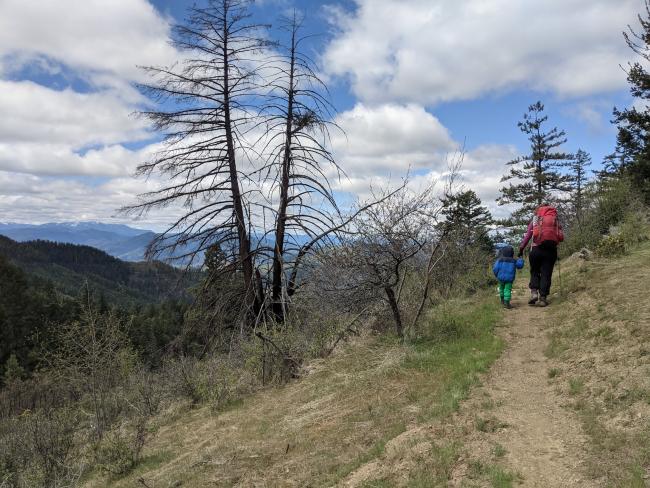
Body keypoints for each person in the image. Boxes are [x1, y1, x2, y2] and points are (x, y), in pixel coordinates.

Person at [518, 205, 564, 307]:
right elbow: (561, 237)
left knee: (534, 271)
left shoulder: (535, 220)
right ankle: (543, 298)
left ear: (539, 211)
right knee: (546, 274)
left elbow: (527, 237)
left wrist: (521, 249)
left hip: (535, 250)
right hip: (550, 251)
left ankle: (534, 292)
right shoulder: (555, 221)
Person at [492, 245, 525, 309]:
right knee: (507, 289)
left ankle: (502, 300)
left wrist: (496, 275)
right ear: (512, 253)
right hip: (509, 279)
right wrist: (520, 259)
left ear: (503, 253)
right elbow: (520, 266)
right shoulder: (513, 261)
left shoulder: (499, 260)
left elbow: (495, 268)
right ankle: (507, 302)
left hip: (500, 278)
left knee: (501, 288)